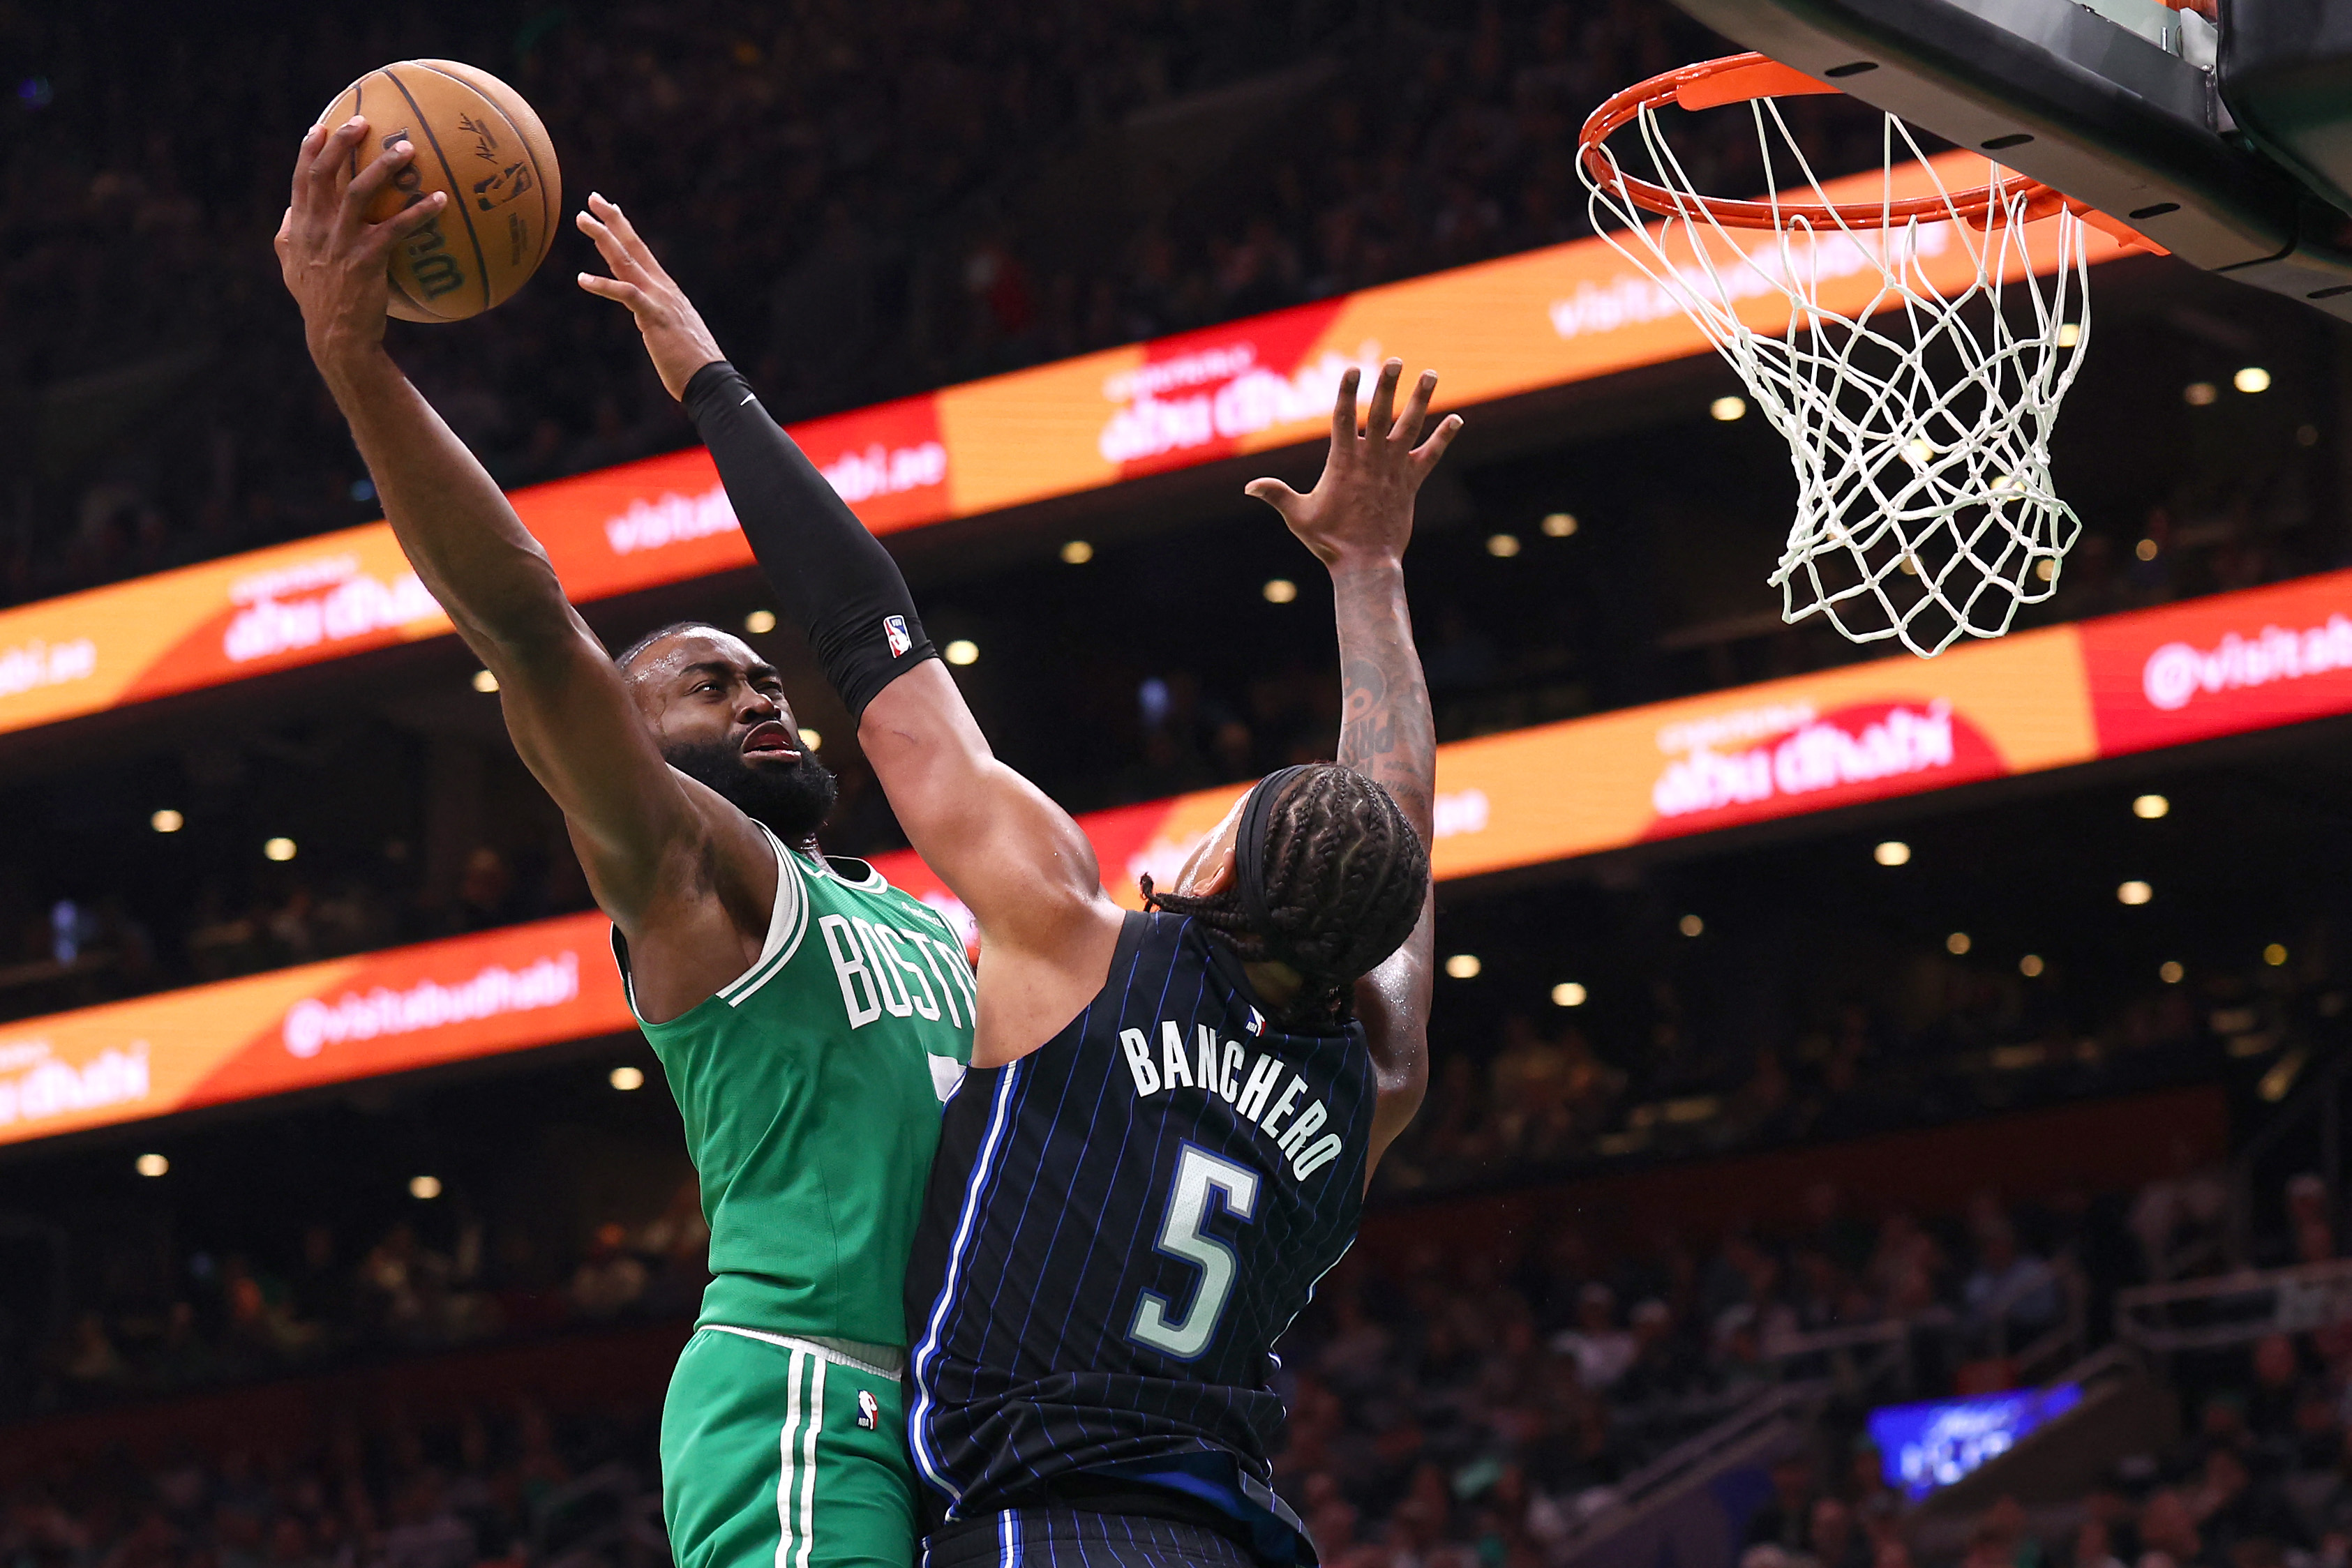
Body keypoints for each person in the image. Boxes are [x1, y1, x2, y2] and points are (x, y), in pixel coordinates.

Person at [576, 194, 1452, 1568]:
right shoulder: (1375, 1083)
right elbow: (1393, 839)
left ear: (1215, 872)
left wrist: (710, 382)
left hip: (1044, 1525)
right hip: (1231, 1536)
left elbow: (868, 636)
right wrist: (1371, 575)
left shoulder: (1073, 942)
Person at [276, 124, 972, 1568]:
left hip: (964, 1401)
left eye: (764, 675)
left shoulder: (922, 914)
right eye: (707, 686)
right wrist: (358, 362)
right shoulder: (692, 870)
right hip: (805, 1388)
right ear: (630, 745)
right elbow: (530, 626)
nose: (760, 693)